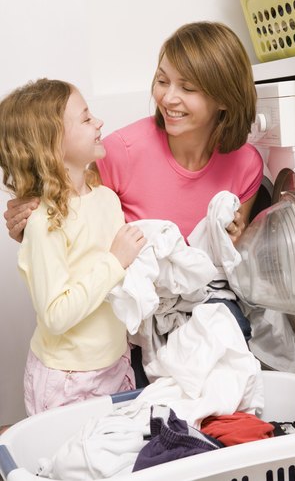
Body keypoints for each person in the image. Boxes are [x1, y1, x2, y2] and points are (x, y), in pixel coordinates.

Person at [4, 21, 263, 382]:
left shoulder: (246, 164)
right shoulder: (121, 152)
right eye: (162, 80)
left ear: (223, 98)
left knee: (231, 362)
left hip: (199, 300)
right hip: (135, 315)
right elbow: (70, 215)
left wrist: (237, 236)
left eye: (187, 88)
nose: (168, 98)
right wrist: (29, 217)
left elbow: (229, 256)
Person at [0, 78, 146, 414]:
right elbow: (55, 315)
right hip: (69, 380)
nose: (99, 122)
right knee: (63, 463)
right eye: (85, 118)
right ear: (53, 144)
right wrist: (115, 262)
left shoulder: (106, 199)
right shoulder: (43, 222)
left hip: (115, 363)